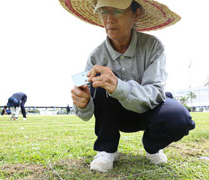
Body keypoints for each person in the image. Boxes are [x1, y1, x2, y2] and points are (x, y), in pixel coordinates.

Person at [60, 0, 195, 172]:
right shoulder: (96, 57)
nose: (108, 19)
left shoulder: (153, 47)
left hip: (148, 112)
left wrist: (118, 86)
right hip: (114, 116)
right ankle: (107, 148)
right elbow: (85, 112)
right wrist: (83, 103)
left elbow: (156, 91)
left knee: (178, 117)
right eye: (103, 12)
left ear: (136, 13)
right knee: (98, 78)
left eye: (116, 11)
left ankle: (152, 145)